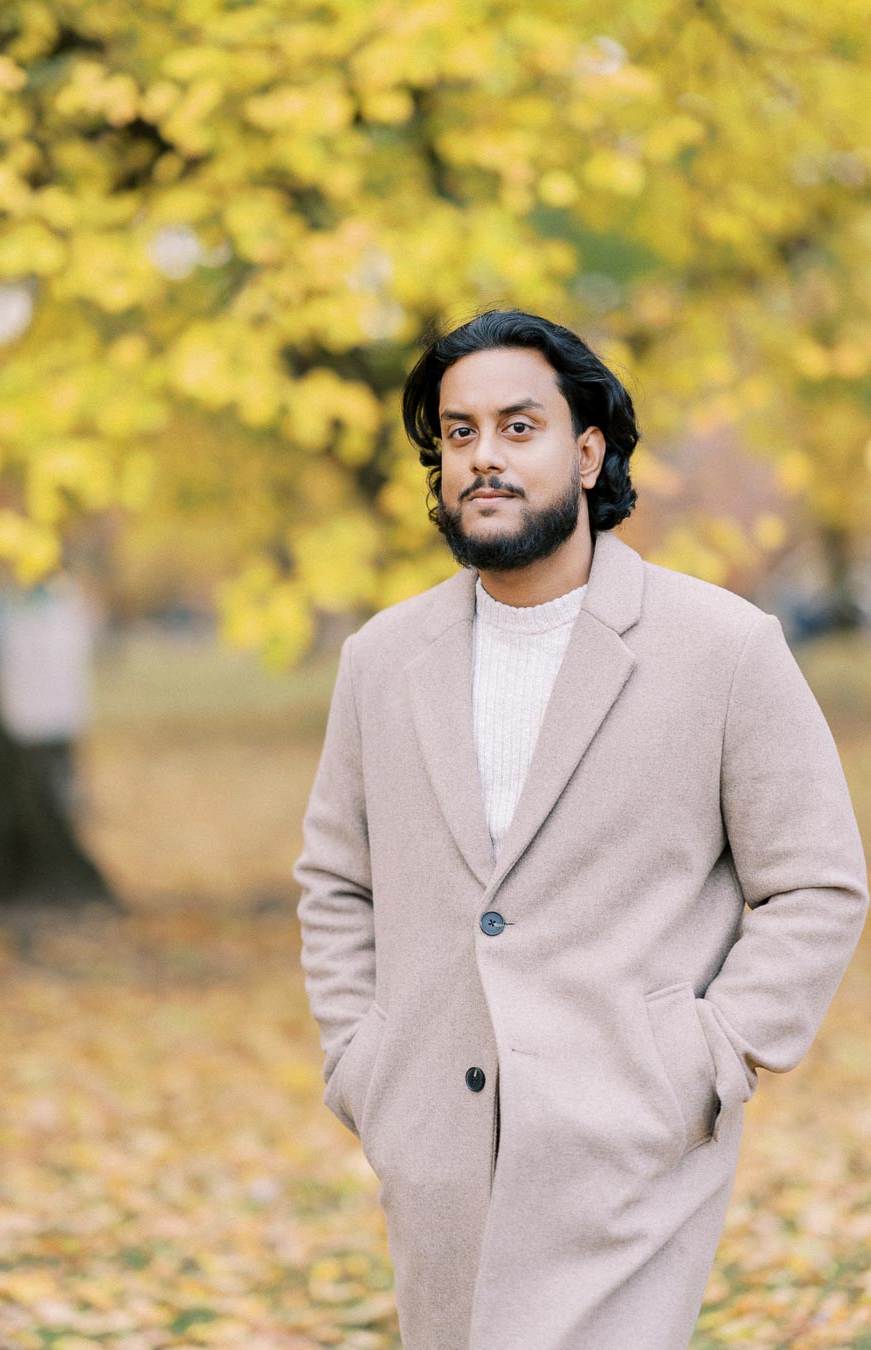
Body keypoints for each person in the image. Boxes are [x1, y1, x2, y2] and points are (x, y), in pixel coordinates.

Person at [293, 309, 868, 1350]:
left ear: (588, 449)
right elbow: (336, 881)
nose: (484, 458)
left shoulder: (723, 649)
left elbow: (817, 882)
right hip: (436, 1148)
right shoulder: (381, 660)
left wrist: (710, 1056)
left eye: (520, 426)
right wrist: (362, 1062)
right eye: (460, 434)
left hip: (630, 1152)